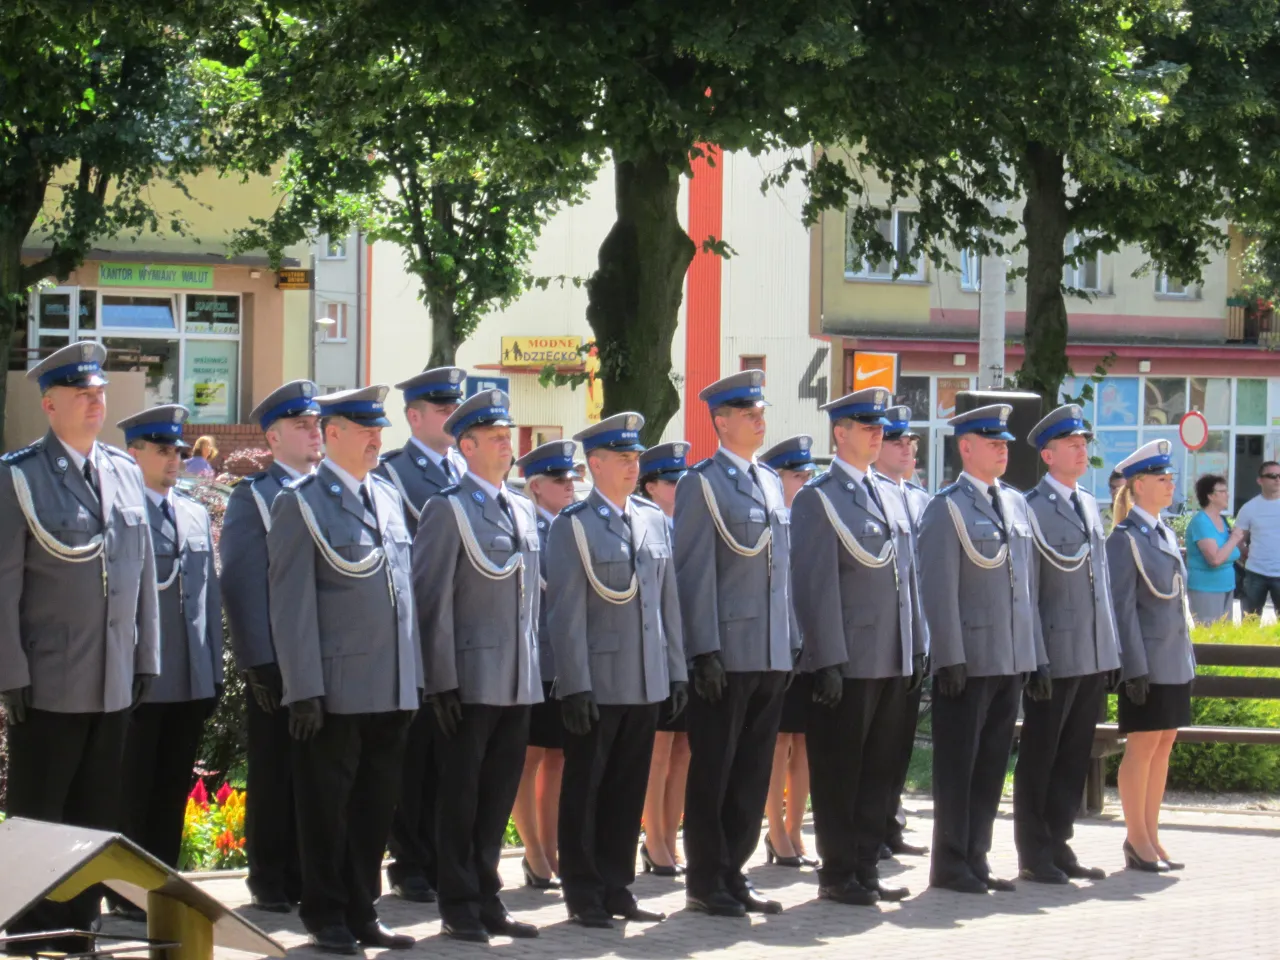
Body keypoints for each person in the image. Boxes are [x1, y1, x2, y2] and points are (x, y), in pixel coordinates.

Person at [0, 341, 160, 951]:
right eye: (82, 394)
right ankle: (31, 930)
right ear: (49, 404)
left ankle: (79, 929)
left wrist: (147, 657)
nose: (96, 402)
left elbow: (140, 570)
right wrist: (9, 671)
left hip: (112, 675)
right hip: (47, 678)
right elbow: (5, 582)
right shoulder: (20, 476)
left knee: (97, 815)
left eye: (100, 393)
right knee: (42, 813)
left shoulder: (122, 471)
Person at [268, 385, 421, 954]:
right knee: (326, 809)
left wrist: (414, 679)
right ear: (333, 435)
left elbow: (404, 595)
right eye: (365, 429)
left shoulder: (385, 495)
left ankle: (362, 908)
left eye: (379, 428)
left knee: (375, 807)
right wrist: (303, 687)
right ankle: (325, 912)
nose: (377, 438)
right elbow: (291, 601)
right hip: (333, 689)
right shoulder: (301, 501)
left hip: (389, 685)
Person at [547, 413, 687, 928]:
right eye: (623, 459)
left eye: (636, 458)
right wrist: (576, 683)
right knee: (587, 788)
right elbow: (565, 612)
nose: (633, 466)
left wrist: (674, 672)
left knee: (628, 788)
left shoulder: (651, 519)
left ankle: (616, 885)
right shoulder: (574, 526)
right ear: (596, 464)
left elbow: (666, 603)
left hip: (645, 677)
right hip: (598, 682)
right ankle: (583, 890)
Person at [414, 389, 542, 943]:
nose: (505, 444)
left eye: (506, 435)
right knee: (461, 796)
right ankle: (458, 901)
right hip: (468, 679)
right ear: (465, 446)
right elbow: (431, 598)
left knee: (495, 797)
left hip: (518, 678)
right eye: (493, 437)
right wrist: (439, 679)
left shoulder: (520, 506)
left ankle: (488, 894)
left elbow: (533, 599)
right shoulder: (448, 508)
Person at [791, 391, 926, 906]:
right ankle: (838, 870)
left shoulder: (890, 493)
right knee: (840, 769)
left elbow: (906, 577)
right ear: (839, 433)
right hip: (847, 660)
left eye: (879, 427)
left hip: (890, 655)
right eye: (864, 426)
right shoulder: (818, 498)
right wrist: (825, 657)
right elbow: (814, 585)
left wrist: (916, 646)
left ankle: (866, 864)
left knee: (881, 768)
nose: (876, 434)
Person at [674, 369, 797, 917]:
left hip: (768, 651)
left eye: (760, 412)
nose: (759, 420)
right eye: (749, 414)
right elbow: (694, 571)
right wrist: (703, 650)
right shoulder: (701, 483)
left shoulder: (769, 481)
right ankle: (705, 878)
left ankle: (735, 870)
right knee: (715, 769)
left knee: (752, 770)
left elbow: (782, 570)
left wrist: (790, 640)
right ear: (721, 423)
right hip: (727, 653)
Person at [918, 403, 1043, 895]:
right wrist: (948, 654)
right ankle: (949, 862)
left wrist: (1031, 654)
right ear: (965, 447)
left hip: (1007, 657)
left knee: (992, 762)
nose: (1002, 448)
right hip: (967, 660)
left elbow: (1024, 587)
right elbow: (938, 586)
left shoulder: (1014, 504)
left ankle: (977, 855)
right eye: (992, 441)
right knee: (959, 765)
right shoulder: (946, 507)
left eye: (1005, 442)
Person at [108, 406, 224, 923]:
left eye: (178, 450)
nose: (174, 458)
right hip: (139, 678)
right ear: (133, 452)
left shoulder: (193, 512)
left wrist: (215, 673)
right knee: (132, 788)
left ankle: (161, 882)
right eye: (161, 449)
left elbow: (208, 600)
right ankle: (126, 890)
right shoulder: (117, 512)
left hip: (190, 678)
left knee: (172, 789)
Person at [220, 380, 323, 913]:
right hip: (279, 661)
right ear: (273, 438)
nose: (314, 433)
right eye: (302, 426)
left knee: (319, 774)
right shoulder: (255, 497)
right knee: (276, 768)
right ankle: (269, 876)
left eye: (316, 424)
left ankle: (310, 873)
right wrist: (257, 660)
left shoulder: (330, 491)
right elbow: (241, 582)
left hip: (326, 661)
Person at [1016, 405, 1122, 884]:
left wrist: (1111, 651)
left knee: (1073, 753)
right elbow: (1029, 590)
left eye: (1084, 444)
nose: (1083, 451)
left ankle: (1059, 843)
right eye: (1073, 444)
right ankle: (1033, 851)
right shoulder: (1033, 507)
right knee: (1042, 753)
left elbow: (1099, 584)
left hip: (1089, 652)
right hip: (1055, 653)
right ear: (1048, 453)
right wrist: (1035, 656)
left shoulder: (1085, 502)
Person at [378, 366, 466, 904]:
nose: (451, 417)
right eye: (441, 409)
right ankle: (409, 860)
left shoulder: (464, 468)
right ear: (414, 417)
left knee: (454, 755)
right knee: (415, 755)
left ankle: (441, 854)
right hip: (419, 628)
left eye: (454, 407)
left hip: (465, 628)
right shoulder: (394, 474)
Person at [1107, 439, 1196, 872]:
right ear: (1138, 485)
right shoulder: (1125, 539)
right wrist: (1133, 667)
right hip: (1147, 663)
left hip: (1171, 659)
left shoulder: (1160, 531)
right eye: (1161, 479)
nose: (1170, 485)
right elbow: (1122, 609)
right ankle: (1136, 840)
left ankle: (1152, 835)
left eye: (1171, 478)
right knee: (1142, 746)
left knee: (1164, 743)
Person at [510, 440, 579, 889]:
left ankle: (552, 850)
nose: (570, 486)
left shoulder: (569, 526)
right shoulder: (527, 527)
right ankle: (533, 851)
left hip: (566, 661)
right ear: (536, 487)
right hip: (536, 660)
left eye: (571, 477)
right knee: (530, 758)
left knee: (557, 757)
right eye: (559, 479)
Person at [871, 406, 930, 859]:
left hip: (915, 639)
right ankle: (874, 825)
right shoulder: (873, 497)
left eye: (910, 441)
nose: (908, 448)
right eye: (897, 441)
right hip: (880, 641)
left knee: (901, 741)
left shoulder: (922, 500)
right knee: (879, 742)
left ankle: (891, 819)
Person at [759, 435, 819, 869]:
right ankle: (774, 828)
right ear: (776, 480)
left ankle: (797, 829)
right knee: (779, 743)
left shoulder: (813, 520)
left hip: (811, 644)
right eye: (797, 476)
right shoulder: (769, 522)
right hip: (780, 644)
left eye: (808, 475)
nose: (805, 482)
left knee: (805, 741)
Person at [636, 441, 693, 878]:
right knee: (656, 753)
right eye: (672, 481)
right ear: (651, 487)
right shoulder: (648, 526)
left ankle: (671, 838)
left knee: (683, 752)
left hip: (690, 653)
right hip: (657, 656)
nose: (681, 487)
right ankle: (653, 839)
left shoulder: (690, 525)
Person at [1185, 473, 1244, 624]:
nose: (1228, 495)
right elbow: (1215, 559)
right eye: (1223, 491)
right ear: (1210, 496)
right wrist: (1235, 538)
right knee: (1210, 637)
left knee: (1224, 639)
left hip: (1226, 586)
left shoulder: (1222, 520)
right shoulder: (1201, 522)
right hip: (1206, 588)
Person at [1231, 460, 1280, 617]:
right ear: (1260, 480)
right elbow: (1238, 537)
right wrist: (1244, 551)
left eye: (1279, 475)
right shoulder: (1249, 508)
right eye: (1272, 476)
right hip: (1255, 573)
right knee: (1249, 622)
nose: (1277, 479)